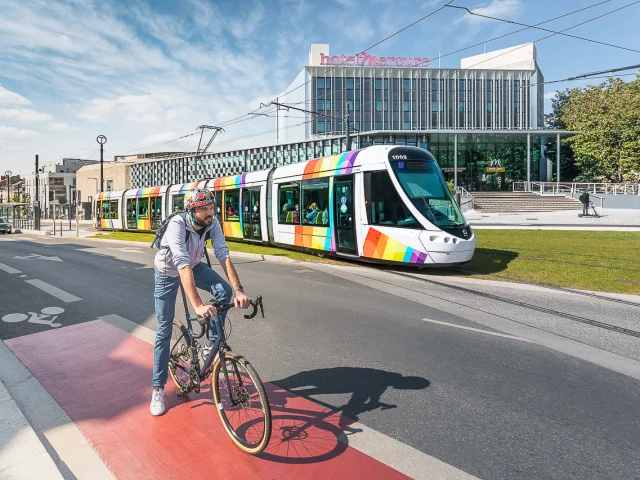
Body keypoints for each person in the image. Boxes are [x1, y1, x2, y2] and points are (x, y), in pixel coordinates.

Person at [150, 188, 250, 416]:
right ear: (191, 210)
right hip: (168, 272)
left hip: (193, 265)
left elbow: (223, 255)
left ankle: (209, 345)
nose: (209, 213)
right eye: (203, 209)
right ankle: (157, 388)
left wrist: (238, 290)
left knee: (224, 292)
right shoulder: (177, 225)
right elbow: (181, 264)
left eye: (211, 208)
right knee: (164, 328)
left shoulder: (212, 223)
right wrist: (198, 305)